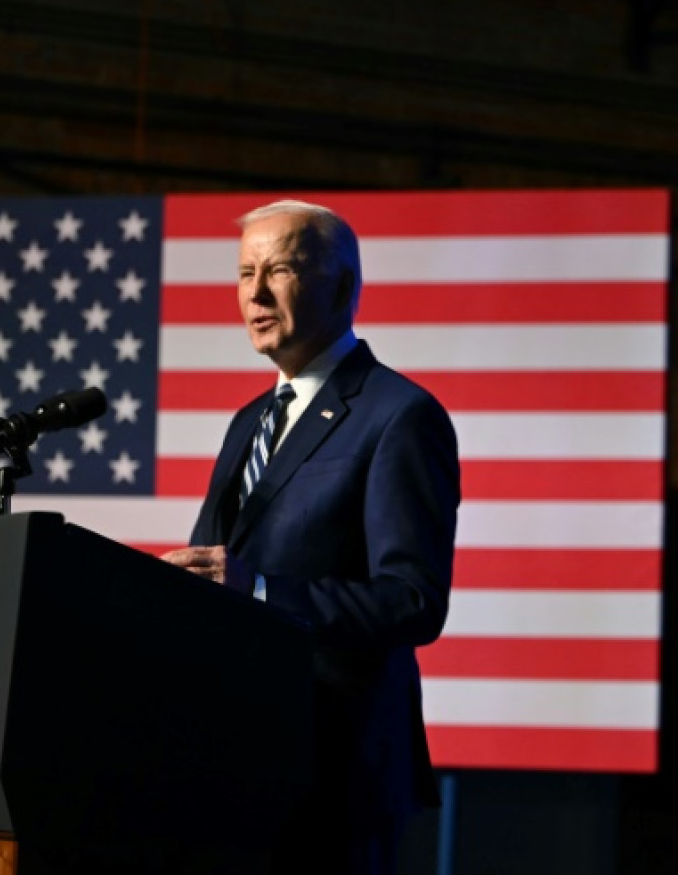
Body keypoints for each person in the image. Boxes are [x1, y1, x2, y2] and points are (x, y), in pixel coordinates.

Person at [161, 199, 460, 874]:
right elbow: (212, 570)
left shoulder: (399, 416)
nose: (256, 294)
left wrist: (261, 588)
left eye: (282, 270)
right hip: (231, 764)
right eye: (244, 274)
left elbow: (412, 600)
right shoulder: (249, 421)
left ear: (343, 287)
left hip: (334, 775)